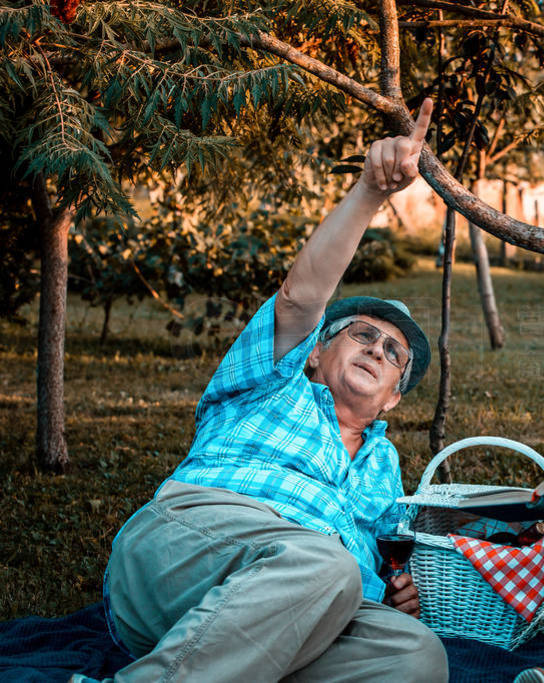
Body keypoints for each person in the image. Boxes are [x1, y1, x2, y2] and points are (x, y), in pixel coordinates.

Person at [75, 100, 449, 682]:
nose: (378, 349)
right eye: (363, 335)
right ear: (318, 354)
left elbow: (380, 565)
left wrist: (396, 592)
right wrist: (371, 193)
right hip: (190, 548)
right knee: (324, 564)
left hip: (292, 609)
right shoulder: (275, 384)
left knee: (415, 655)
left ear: (394, 398)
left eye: (393, 353)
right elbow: (302, 298)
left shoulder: (384, 465)